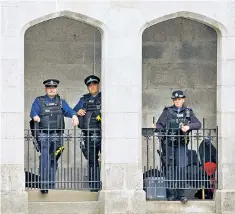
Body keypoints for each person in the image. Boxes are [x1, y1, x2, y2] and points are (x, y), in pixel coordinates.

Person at [30, 79, 79, 194]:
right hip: (44, 135)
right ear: (46, 89)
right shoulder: (39, 101)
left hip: (57, 135)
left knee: (53, 160)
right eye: (49, 87)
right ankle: (44, 185)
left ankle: (51, 185)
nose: (51, 89)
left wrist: (74, 116)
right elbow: (33, 111)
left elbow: (69, 111)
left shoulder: (61, 102)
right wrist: (35, 116)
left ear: (56, 88)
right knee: (45, 158)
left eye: (53, 87)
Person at [155, 90, 201, 203]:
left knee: (181, 168)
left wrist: (188, 126)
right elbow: (159, 125)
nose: (177, 101)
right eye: (175, 99)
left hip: (181, 144)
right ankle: (170, 194)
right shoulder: (167, 111)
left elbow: (198, 124)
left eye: (179, 99)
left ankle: (181, 195)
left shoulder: (188, 112)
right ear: (173, 100)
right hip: (169, 144)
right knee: (170, 169)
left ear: (183, 99)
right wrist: (157, 128)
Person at [73, 75, 101, 191]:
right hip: (89, 135)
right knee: (92, 161)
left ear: (98, 85)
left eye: (94, 84)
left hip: (104, 135)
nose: (92, 86)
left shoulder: (105, 97)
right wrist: (77, 112)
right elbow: (73, 112)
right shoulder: (83, 99)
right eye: (90, 85)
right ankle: (94, 187)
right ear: (87, 87)